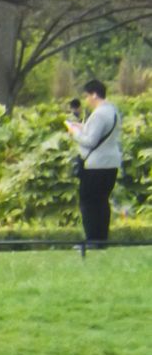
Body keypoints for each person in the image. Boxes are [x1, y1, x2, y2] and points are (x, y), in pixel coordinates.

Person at [66, 80, 122, 247]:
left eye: (87, 96)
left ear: (94, 94)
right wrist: (83, 126)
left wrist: (74, 132)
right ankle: (101, 239)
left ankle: (91, 240)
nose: (86, 100)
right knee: (102, 202)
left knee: (88, 202)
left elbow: (90, 141)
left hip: (95, 165)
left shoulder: (98, 114)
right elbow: (101, 133)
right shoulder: (113, 111)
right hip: (111, 163)